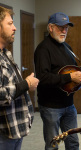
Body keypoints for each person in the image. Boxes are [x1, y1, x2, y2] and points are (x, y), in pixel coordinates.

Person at [34, 12, 81, 150]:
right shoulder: (43, 49)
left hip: (69, 105)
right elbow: (43, 78)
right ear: (50, 28)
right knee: (52, 144)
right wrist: (71, 77)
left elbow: (75, 76)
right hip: (50, 107)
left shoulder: (67, 48)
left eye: (66, 27)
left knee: (73, 142)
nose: (64, 31)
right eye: (60, 27)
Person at [0, 6, 39, 150]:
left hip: (15, 130)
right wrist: (26, 84)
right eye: (10, 24)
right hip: (3, 135)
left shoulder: (6, 53)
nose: (15, 28)